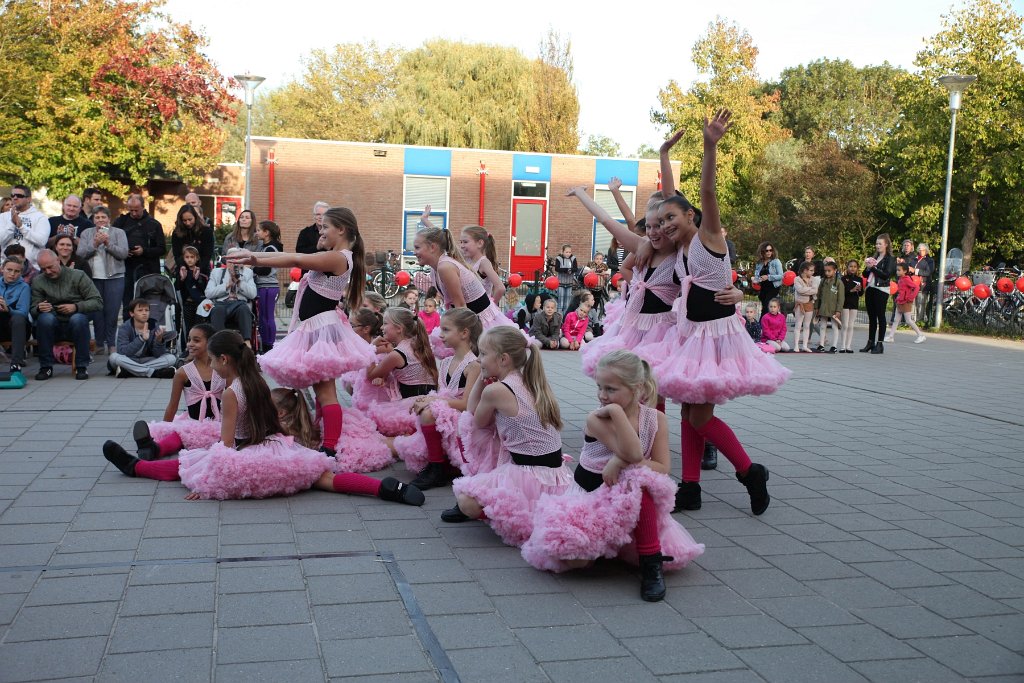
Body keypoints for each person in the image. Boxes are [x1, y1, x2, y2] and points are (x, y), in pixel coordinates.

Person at [634, 111, 788, 515]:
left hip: (716, 339)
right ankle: (691, 488)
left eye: (672, 218)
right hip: (691, 336)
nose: (664, 224)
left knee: (700, 418)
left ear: (691, 217)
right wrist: (664, 154)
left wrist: (709, 146)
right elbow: (671, 197)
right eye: (660, 220)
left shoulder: (709, 238)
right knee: (689, 411)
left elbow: (706, 196)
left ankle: (749, 470)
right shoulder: (680, 247)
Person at [102, 330, 424, 505]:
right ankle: (385, 490)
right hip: (280, 449)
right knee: (324, 478)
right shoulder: (255, 380)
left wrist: (209, 482)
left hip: (251, 453)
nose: (210, 366)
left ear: (224, 359)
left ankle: (137, 467)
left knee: (190, 462)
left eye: (212, 361)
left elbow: (225, 447)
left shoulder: (230, 393)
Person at [522, 351, 704, 601]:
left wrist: (619, 462)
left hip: (630, 499)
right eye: (599, 387)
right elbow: (634, 452)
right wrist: (617, 414)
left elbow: (662, 467)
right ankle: (610, 546)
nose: (602, 395)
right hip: (591, 497)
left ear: (637, 388)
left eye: (611, 389)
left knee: (637, 480)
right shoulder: (596, 418)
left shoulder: (656, 419)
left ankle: (652, 563)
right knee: (577, 561)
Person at [226, 206, 376, 458]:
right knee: (320, 389)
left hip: (320, 329)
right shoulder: (336, 255)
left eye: (325, 226)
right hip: (316, 327)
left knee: (327, 392)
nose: (321, 230)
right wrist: (254, 259)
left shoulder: (339, 257)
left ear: (341, 229)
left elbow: (296, 259)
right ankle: (323, 435)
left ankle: (330, 446)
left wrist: (254, 258)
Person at [441, 326, 574, 549]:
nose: (479, 359)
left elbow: (474, 417)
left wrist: (483, 380)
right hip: (555, 476)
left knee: (466, 498)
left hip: (527, 477)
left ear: (503, 359)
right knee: (495, 435)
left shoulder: (498, 391)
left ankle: (497, 513)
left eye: (483, 354)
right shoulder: (529, 380)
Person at [394, 307, 482, 489]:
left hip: (466, 418)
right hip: (448, 413)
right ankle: (438, 462)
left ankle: (437, 468)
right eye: (441, 329)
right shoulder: (446, 362)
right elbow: (441, 394)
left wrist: (432, 402)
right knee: (423, 408)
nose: (440, 334)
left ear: (464, 333)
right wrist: (426, 399)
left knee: (428, 413)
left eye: (446, 330)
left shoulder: (473, 365)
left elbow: (467, 404)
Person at [414, 226, 521, 358]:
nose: (414, 252)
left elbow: (460, 306)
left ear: (432, 247)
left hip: (478, 321)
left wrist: (463, 343)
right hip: (467, 319)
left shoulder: (445, 266)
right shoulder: (435, 269)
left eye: (417, 247)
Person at [130, 323, 224, 460]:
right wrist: (163, 430)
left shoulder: (222, 369)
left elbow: (235, 398)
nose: (190, 344)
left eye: (196, 340)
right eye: (189, 339)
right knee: (178, 437)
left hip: (219, 424)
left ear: (210, 343)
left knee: (227, 438)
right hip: (193, 425)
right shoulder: (182, 373)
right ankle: (154, 448)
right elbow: (172, 406)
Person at [30, 249, 103, 380]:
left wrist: (76, 307)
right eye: (43, 269)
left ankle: (81, 367)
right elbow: (33, 309)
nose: (47, 272)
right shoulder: (38, 281)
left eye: (50, 267)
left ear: (58, 260)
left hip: (76, 322)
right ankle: (46, 367)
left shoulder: (78, 275)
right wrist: (39, 308)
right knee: (44, 319)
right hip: (52, 324)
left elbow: (97, 302)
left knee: (79, 318)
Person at [365, 307, 439, 436]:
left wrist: (370, 348)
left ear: (399, 328)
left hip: (411, 406)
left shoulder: (398, 354)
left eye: (386, 323)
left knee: (373, 426)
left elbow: (370, 375)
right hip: (428, 399)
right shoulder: (417, 345)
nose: (382, 327)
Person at [77, 207, 128, 355]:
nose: (100, 220)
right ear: (93, 220)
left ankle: (111, 343)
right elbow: (80, 254)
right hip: (93, 278)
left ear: (109, 218)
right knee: (97, 311)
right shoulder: (87, 233)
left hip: (115, 277)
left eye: (103, 217)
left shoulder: (118, 233)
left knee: (112, 312)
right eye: (97, 217)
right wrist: (94, 244)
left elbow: (124, 253)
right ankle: (99, 343)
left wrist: (107, 244)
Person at [113, 194, 166, 318]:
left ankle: (148, 329)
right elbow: (112, 242)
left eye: (136, 210)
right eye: (130, 210)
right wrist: (124, 251)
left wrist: (144, 251)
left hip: (148, 268)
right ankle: (128, 328)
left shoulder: (154, 224)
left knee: (148, 302)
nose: (133, 213)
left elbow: (162, 248)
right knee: (127, 302)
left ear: (143, 207)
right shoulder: (121, 222)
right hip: (127, 267)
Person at [108, 298, 178, 378]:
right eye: (140, 310)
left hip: (146, 360)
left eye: (146, 310)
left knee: (171, 358)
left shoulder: (154, 326)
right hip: (129, 359)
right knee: (114, 357)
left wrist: (159, 341)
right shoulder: (124, 328)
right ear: (132, 313)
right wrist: (141, 339)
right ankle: (154, 373)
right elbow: (123, 352)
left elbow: (158, 354)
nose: (144, 313)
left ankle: (130, 371)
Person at [205, 249, 257, 341]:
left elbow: (253, 294)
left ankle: (247, 342)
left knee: (243, 308)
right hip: (221, 303)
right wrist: (226, 286)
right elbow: (208, 293)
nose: (234, 263)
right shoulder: (216, 272)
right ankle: (220, 342)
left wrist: (239, 282)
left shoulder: (247, 273)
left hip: (239, 303)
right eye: (231, 259)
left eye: (237, 259)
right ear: (227, 261)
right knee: (217, 310)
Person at [861, 234, 896, 354]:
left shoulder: (890, 259)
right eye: (876, 243)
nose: (877, 246)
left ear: (886, 244)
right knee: (871, 317)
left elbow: (886, 274)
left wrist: (873, 268)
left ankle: (880, 344)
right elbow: (865, 275)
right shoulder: (874, 257)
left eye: (880, 243)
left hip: (881, 289)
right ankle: (870, 342)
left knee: (880, 316)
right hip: (870, 288)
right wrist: (868, 267)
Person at [252, 220, 283, 353]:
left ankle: (269, 345)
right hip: (264, 286)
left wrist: (252, 268)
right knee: (263, 317)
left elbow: (265, 269)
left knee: (267, 317)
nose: (257, 233)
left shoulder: (271, 248)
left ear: (267, 233)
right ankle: (266, 343)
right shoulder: (265, 247)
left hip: (268, 287)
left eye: (259, 230)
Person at [458, 224, 506, 304]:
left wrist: (491, 307)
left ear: (480, 243)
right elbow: (447, 244)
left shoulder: (483, 262)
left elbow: (500, 288)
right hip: (468, 310)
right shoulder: (467, 259)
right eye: (461, 242)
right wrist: (428, 222)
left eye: (465, 242)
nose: (462, 246)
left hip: (481, 312)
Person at [1, 185, 49, 263]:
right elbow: (1, 240)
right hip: (6, 267)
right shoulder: (3, 217)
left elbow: (42, 241)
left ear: (29, 199)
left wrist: (21, 227)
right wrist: (12, 224)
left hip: (31, 268)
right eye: (12, 195)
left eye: (19, 196)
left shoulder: (40, 217)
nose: (15, 198)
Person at [0, 257, 30, 373]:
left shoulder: (24, 287)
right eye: (9, 270)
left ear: (21, 273)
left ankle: (16, 363)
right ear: (2, 269)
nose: (12, 274)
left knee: (18, 318)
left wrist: (8, 309)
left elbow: (23, 312)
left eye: (17, 271)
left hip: (18, 327)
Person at [885, 263, 926, 344]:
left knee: (908, 320)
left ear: (905, 271)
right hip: (899, 301)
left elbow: (916, 287)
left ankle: (920, 335)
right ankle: (891, 336)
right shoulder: (900, 279)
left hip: (906, 302)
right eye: (897, 270)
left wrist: (910, 298)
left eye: (899, 270)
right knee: (896, 320)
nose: (897, 271)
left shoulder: (907, 279)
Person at [171, 204, 214, 276]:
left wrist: (199, 268)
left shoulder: (206, 232)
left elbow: (207, 255)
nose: (188, 223)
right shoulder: (177, 233)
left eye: (190, 219)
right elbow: (177, 254)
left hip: (202, 271)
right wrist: (182, 266)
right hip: (183, 272)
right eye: (184, 220)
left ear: (195, 217)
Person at [814, 260, 844, 353]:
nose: (827, 272)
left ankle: (834, 346)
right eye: (825, 271)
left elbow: (841, 298)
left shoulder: (839, 283)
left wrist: (838, 310)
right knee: (822, 326)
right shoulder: (822, 281)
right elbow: (818, 295)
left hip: (833, 309)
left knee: (835, 327)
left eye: (829, 271)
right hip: (823, 308)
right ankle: (821, 345)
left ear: (834, 270)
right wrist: (816, 307)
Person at [792, 262, 818, 353]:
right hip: (800, 304)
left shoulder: (813, 279)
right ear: (804, 270)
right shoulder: (797, 279)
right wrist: (810, 290)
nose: (812, 272)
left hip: (809, 303)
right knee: (798, 324)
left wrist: (806, 290)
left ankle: (805, 346)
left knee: (807, 325)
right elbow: (799, 290)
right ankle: (796, 345)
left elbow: (815, 290)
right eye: (811, 270)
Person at [753, 241, 783, 316]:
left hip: (773, 287)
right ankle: (768, 324)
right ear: (762, 251)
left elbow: (781, 276)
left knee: (767, 307)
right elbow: (757, 275)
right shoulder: (759, 263)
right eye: (767, 250)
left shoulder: (776, 261)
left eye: (770, 250)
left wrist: (768, 277)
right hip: (763, 287)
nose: (769, 252)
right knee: (765, 307)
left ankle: (761, 325)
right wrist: (755, 279)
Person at [838, 260, 862, 353]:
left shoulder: (859, 279)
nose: (853, 268)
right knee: (845, 325)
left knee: (851, 325)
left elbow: (860, 293)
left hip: (854, 304)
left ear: (857, 268)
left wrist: (859, 290)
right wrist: (851, 290)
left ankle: (848, 346)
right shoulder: (843, 279)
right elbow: (842, 292)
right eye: (851, 266)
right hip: (845, 303)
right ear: (847, 267)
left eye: (855, 266)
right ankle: (842, 345)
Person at [553, 244, 578, 315]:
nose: (568, 254)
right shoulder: (558, 258)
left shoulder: (573, 258)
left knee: (567, 302)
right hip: (561, 283)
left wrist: (571, 270)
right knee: (560, 301)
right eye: (566, 252)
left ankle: (565, 317)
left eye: (569, 252)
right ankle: (559, 316)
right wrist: (566, 270)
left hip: (569, 283)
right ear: (563, 252)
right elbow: (557, 268)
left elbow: (575, 268)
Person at [913, 243, 935, 324]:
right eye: (920, 250)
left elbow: (929, 272)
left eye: (923, 250)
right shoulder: (914, 259)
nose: (921, 251)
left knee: (920, 303)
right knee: (912, 304)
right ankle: (912, 321)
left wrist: (915, 271)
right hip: (912, 285)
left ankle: (920, 321)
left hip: (923, 285)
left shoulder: (929, 260)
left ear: (926, 250)